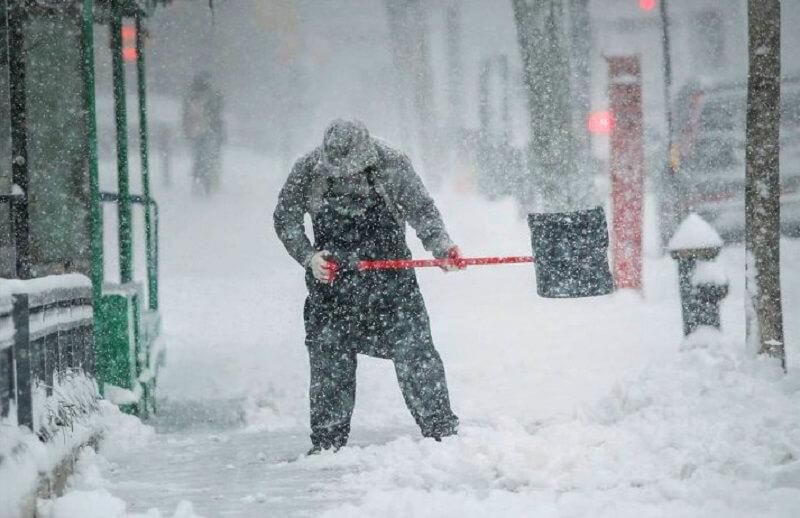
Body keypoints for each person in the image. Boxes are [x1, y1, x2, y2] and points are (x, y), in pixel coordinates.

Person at [274, 119, 462, 454]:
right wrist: (309, 257)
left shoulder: (392, 164)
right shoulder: (307, 170)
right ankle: (328, 443)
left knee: (416, 355)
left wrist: (442, 247)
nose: (347, 180)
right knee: (329, 366)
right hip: (332, 291)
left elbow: (422, 210)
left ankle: (442, 434)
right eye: (339, 175)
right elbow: (285, 218)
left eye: (354, 173)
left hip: (392, 288)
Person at [182, 73, 225, 195]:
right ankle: (206, 182)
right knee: (207, 157)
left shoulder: (191, 95)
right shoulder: (211, 95)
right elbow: (217, 111)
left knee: (198, 157)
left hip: (195, 130)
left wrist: (187, 129)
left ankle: (198, 181)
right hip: (207, 130)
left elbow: (186, 114)